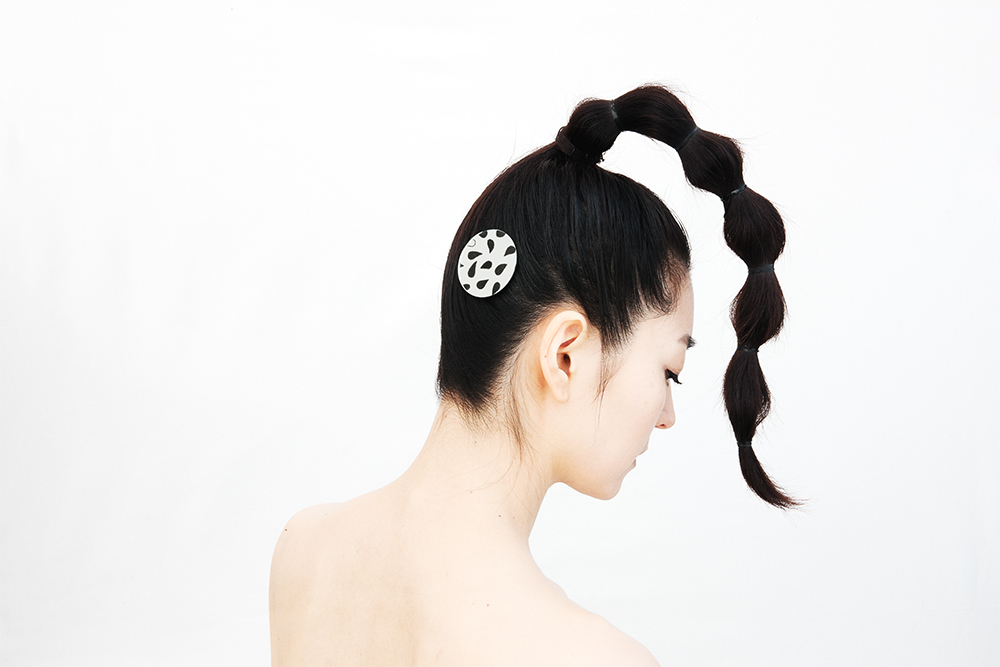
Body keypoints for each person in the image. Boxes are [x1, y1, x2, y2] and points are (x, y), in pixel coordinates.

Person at [268, 84, 796, 666]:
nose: (667, 416)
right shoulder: (592, 658)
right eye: (669, 372)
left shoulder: (304, 548)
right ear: (565, 354)